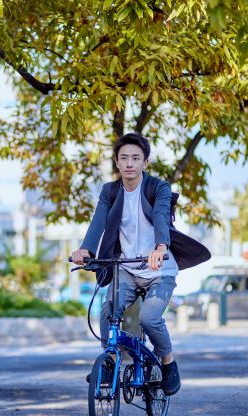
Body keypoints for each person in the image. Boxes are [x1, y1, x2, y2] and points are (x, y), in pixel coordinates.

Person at [72, 133, 184, 395]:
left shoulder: (158, 187)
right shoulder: (110, 191)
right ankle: (110, 362)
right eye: (124, 158)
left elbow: (160, 216)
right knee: (108, 310)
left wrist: (160, 247)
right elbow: (98, 221)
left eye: (136, 158)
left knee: (149, 318)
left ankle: (168, 362)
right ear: (117, 162)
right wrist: (86, 249)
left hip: (160, 269)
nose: (130, 163)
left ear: (145, 162)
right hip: (127, 268)